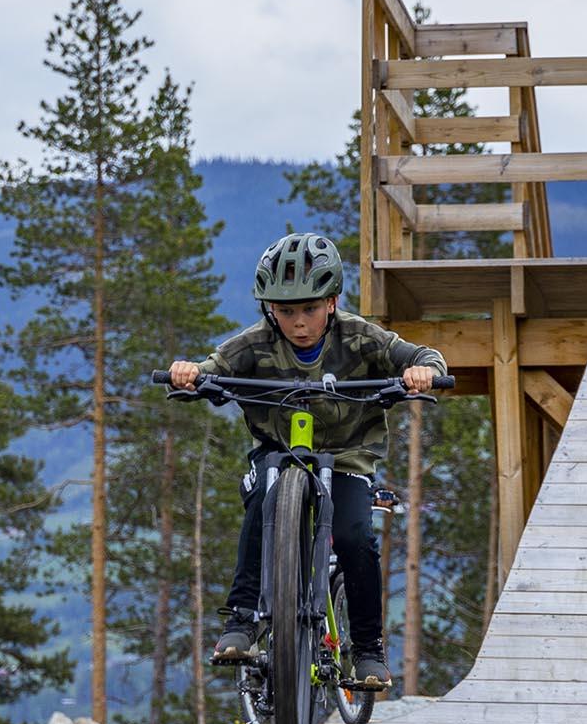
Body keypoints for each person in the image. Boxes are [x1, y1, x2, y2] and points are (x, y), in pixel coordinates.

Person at [167, 233, 446, 690]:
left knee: (355, 536)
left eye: (310, 308)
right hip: (277, 454)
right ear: (269, 309)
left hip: (348, 456)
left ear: (333, 301)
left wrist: (423, 372)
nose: (298, 322)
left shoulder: (359, 337)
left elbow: (420, 355)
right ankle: (242, 620)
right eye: (285, 310)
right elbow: (212, 367)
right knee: (262, 501)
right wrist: (192, 374)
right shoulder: (254, 344)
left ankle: (368, 651)